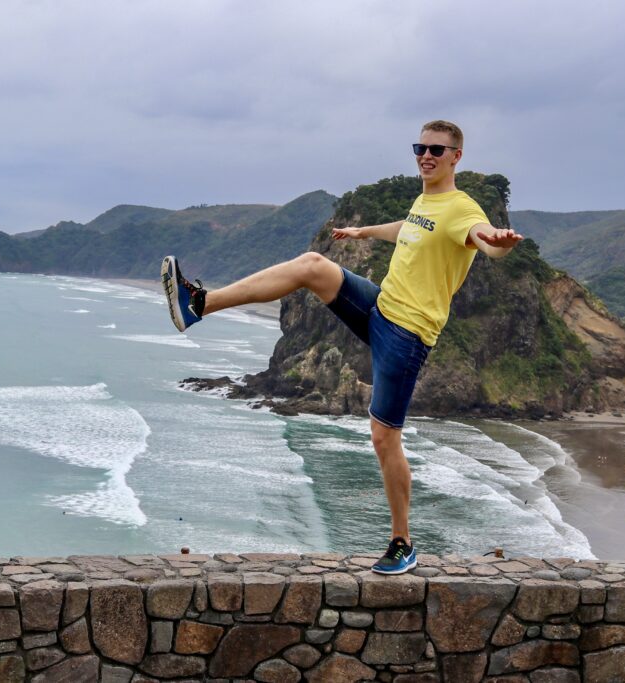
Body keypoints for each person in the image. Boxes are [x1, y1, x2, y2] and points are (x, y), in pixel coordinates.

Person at [161, 120, 523, 574]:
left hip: (407, 335)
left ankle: (403, 543)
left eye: (436, 150)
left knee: (384, 438)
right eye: (420, 148)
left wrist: (499, 244)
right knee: (312, 265)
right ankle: (199, 304)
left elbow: (481, 237)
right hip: (379, 306)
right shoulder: (425, 201)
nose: (426, 156)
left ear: (456, 156)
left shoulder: (463, 208)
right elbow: (409, 228)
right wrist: (363, 231)